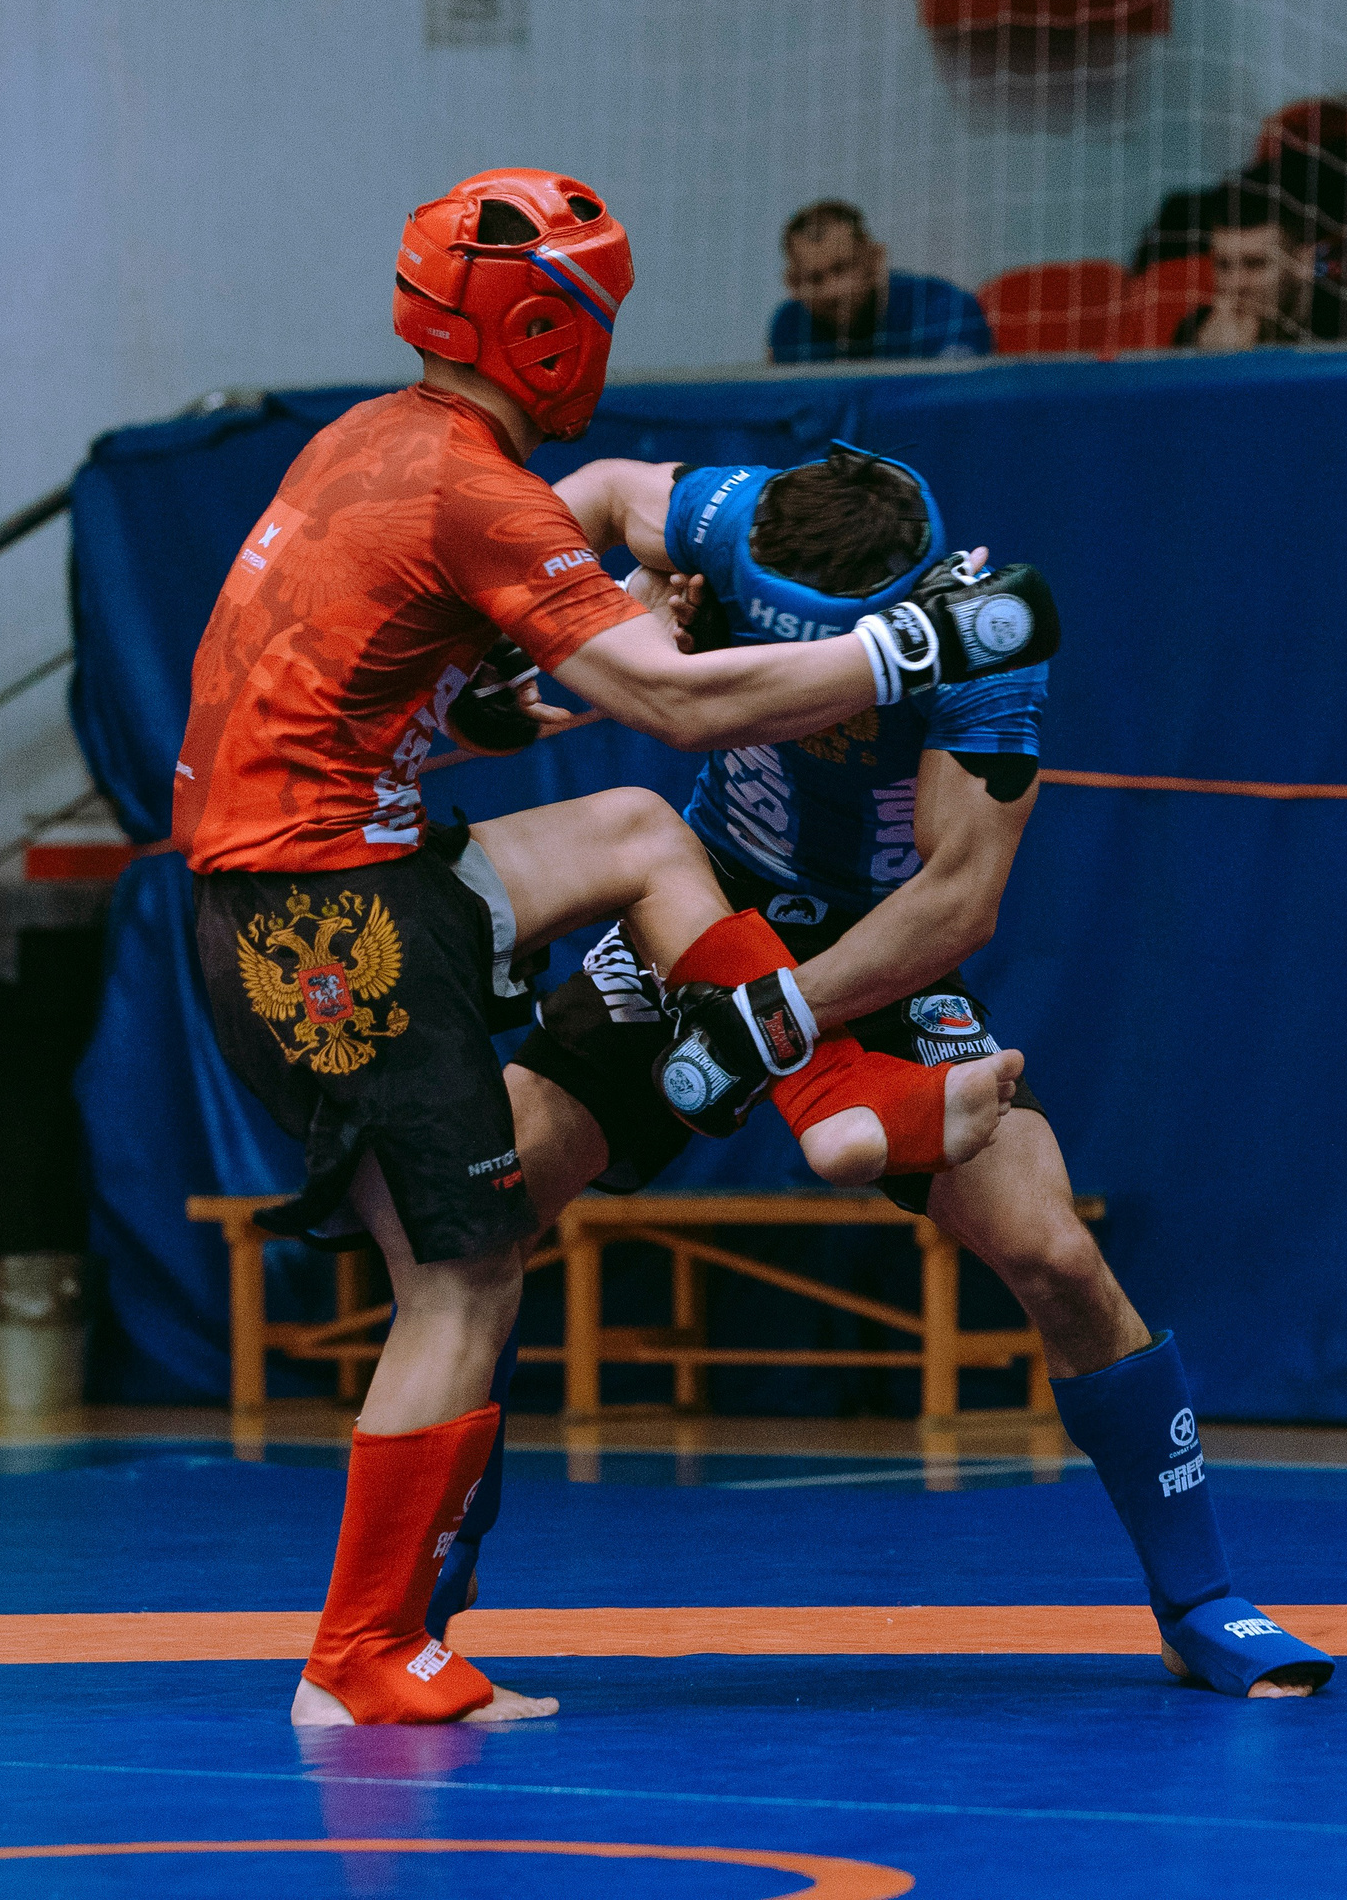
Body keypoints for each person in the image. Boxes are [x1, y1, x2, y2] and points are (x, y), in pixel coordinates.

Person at [175, 168, 1053, 1728]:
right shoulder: (473, 488)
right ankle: (363, 1657)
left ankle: (830, 1100)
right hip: (330, 922)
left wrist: (577, 641)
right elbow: (690, 701)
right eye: (590, 318)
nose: (600, 349)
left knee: (643, 834)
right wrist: (905, 644)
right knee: (463, 1277)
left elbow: (444, 664)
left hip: (319, 881)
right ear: (535, 330)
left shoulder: (376, 443)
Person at [420, 444, 1336, 1702]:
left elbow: (956, 901)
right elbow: (578, 498)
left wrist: (774, 1024)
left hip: (877, 950)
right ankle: (428, 1571)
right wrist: (542, 635)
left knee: (1056, 1254)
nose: (814, 698)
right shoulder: (730, 515)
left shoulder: (986, 631)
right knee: (486, 1208)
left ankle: (1201, 1599)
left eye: (833, 666)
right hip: (701, 898)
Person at [767, 199, 993, 364]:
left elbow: (958, 406)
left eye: (843, 269)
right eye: (814, 279)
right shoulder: (790, 326)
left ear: (875, 259)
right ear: (793, 284)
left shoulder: (945, 309)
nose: (832, 290)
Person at [1170, 186, 1328, 350]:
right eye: (1223, 265)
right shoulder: (1196, 329)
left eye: (1255, 264)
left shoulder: (1340, 326)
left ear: (1303, 263)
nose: (1235, 283)